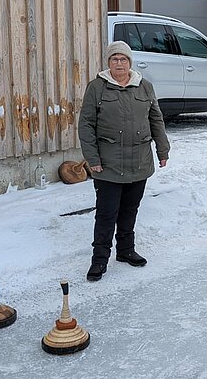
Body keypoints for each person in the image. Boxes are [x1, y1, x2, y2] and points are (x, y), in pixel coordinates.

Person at [79, 41, 170, 282]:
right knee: (106, 214)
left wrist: (163, 150)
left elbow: (156, 119)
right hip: (108, 164)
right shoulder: (97, 88)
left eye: (123, 59)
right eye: (114, 59)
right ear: (108, 62)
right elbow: (86, 124)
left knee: (130, 210)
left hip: (139, 161)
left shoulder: (144, 86)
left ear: (130, 62)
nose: (119, 63)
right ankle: (99, 260)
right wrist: (92, 158)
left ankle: (126, 250)